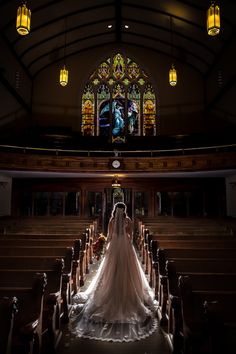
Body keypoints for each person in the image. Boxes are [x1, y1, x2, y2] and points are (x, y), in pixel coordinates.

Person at [70, 202, 157, 342]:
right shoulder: (128, 220)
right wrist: (125, 239)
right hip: (126, 248)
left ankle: (110, 291)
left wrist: (104, 245)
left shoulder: (111, 221)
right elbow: (130, 236)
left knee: (110, 270)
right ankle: (129, 292)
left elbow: (110, 236)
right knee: (128, 271)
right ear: (125, 211)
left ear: (115, 211)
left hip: (114, 247)